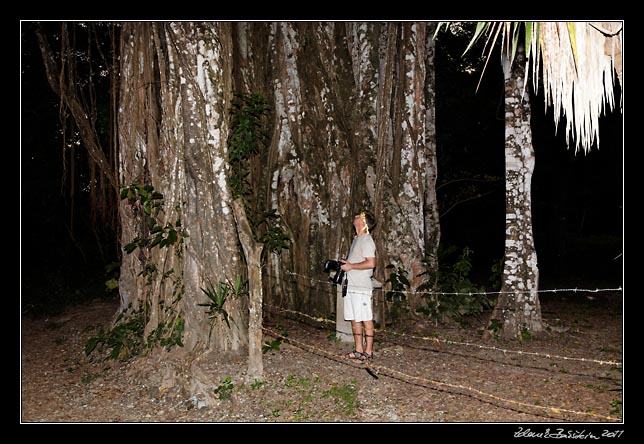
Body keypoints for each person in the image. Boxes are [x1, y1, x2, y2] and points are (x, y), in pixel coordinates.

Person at [340, 210, 377, 364]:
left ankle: (368, 353)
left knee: (366, 319)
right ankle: (358, 350)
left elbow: (371, 263)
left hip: (361, 287)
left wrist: (352, 266)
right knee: (355, 319)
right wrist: (346, 264)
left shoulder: (367, 240)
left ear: (363, 222)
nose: (355, 216)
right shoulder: (357, 239)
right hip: (351, 286)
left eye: (359, 216)